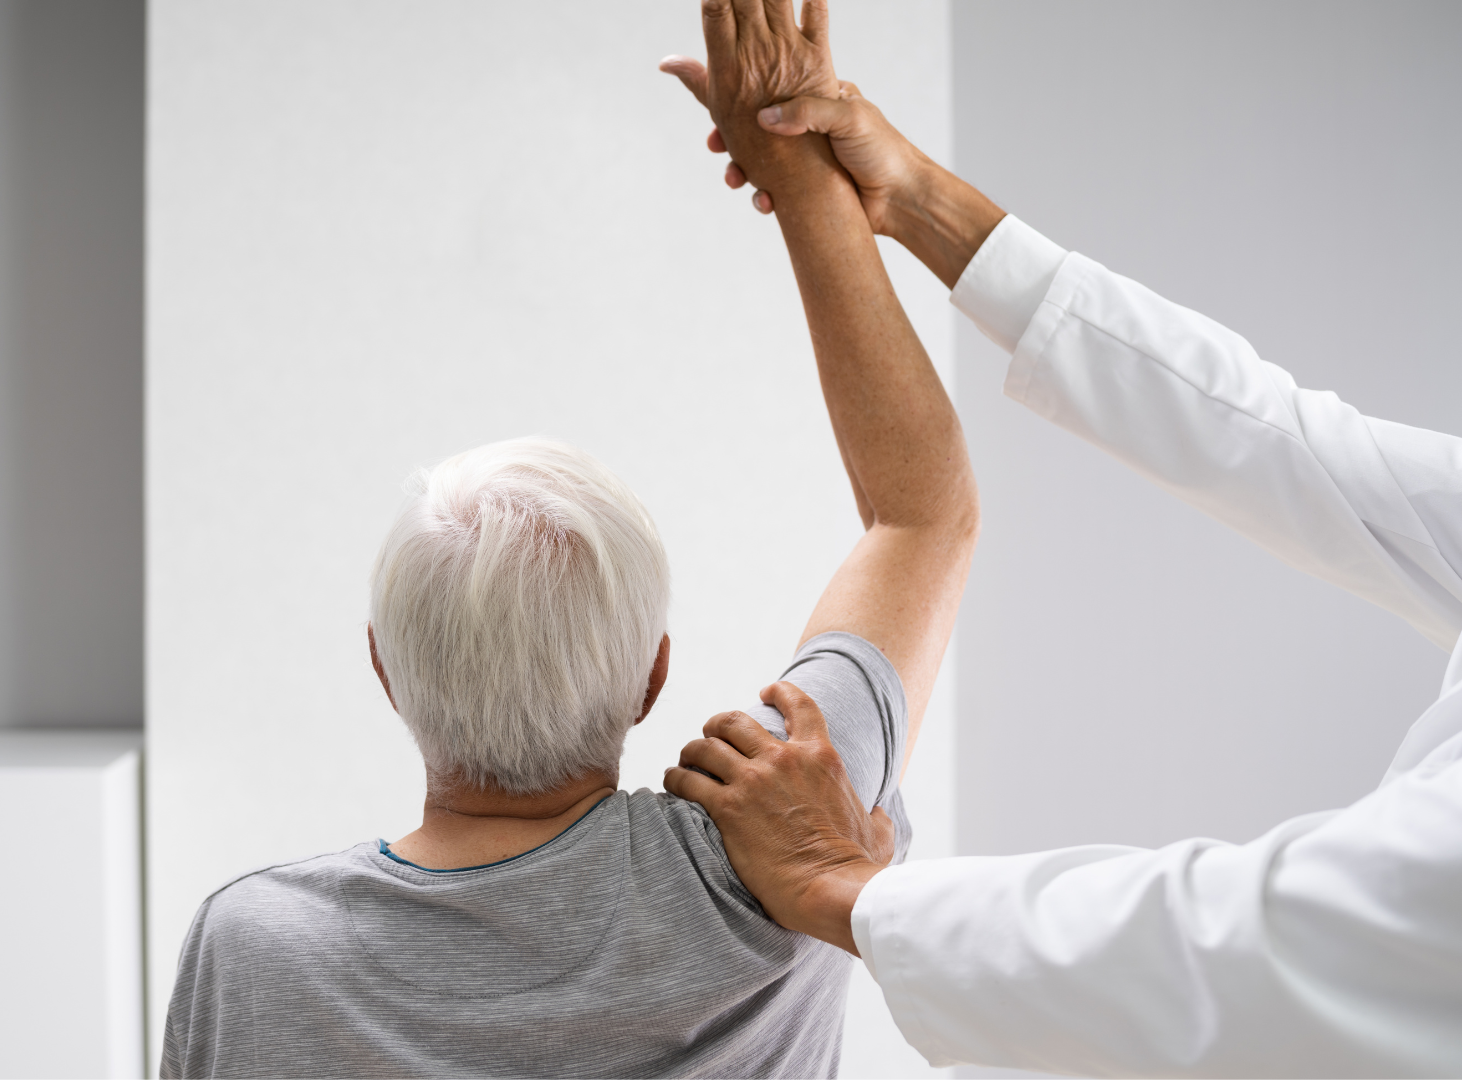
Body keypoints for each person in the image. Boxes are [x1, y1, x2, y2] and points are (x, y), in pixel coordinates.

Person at [158, 8, 975, 1077]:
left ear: (385, 671)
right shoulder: (776, 864)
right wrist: (800, 170)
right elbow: (920, 512)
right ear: (653, 676)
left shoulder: (254, 948)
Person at [659, 1, 1462, 1075]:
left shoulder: (342, 926)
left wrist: (846, 888)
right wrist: (902, 198)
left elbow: (1247, 944)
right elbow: (1299, 450)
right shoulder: (746, 817)